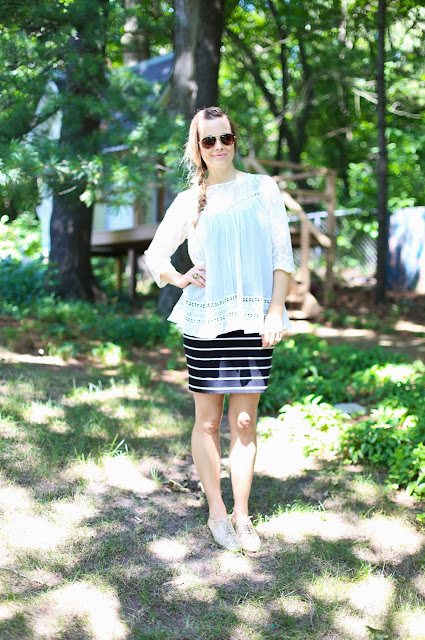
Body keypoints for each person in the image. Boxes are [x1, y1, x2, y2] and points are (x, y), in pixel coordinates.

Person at [144, 106, 295, 552]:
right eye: (208, 140)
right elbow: (155, 255)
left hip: (254, 320)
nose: (218, 147)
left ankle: (242, 516)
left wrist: (275, 311)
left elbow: (282, 256)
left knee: (244, 421)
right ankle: (216, 513)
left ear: (234, 140)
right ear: (198, 148)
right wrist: (179, 278)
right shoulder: (189, 200)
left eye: (225, 138)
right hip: (205, 321)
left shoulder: (263, 189)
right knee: (207, 423)